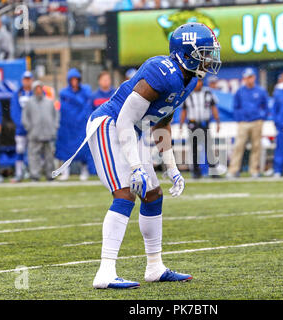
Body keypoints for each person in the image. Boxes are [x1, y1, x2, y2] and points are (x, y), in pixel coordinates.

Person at [52, 22, 221, 289]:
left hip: (133, 131)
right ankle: (105, 272)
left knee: (153, 194)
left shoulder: (188, 80)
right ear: (186, 52)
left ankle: (155, 267)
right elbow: (123, 120)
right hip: (109, 125)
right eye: (205, 51)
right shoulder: (162, 71)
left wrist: (172, 168)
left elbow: (162, 124)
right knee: (125, 192)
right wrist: (135, 166)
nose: (210, 58)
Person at [227, 67, 268, 178]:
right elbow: (235, 107)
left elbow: (266, 106)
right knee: (239, 146)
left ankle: (254, 170)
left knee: (256, 146)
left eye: (250, 77)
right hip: (244, 123)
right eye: (246, 78)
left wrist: (261, 116)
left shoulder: (260, 91)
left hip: (257, 122)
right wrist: (240, 118)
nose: (248, 80)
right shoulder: (240, 92)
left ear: (254, 77)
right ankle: (233, 170)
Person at [55, 68, 93, 181]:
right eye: (72, 79)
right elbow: (64, 109)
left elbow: (87, 107)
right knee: (66, 149)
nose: (74, 82)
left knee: (83, 149)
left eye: (76, 79)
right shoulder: (64, 93)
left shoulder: (86, 91)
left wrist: (82, 119)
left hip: (81, 126)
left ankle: (84, 171)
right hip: (68, 127)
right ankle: (65, 172)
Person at [180, 78, 220, 178]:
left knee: (209, 147)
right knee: (194, 149)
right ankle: (196, 172)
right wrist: (181, 124)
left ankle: (213, 171)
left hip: (204, 123)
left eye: (200, 81)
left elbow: (213, 107)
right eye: (197, 82)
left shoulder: (208, 92)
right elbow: (184, 110)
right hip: (192, 123)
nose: (198, 84)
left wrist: (218, 121)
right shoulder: (188, 93)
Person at [22, 81, 59, 181]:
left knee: (49, 156)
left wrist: (54, 127)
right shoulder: (29, 103)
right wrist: (29, 128)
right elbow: (25, 117)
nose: (38, 90)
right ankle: (35, 175)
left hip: (48, 134)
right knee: (34, 157)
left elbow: (55, 115)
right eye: (36, 89)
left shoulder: (49, 102)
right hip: (35, 134)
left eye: (40, 88)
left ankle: (50, 175)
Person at [10, 71, 33, 182]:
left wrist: (33, 124)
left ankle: (33, 172)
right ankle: (19, 173)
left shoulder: (35, 93)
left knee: (33, 151)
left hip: (33, 129)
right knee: (19, 150)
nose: (27, 81)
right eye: (25, 79)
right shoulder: (17, 94)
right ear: (22, 80)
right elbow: (14, 111)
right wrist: (22, 123)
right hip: (21, 129)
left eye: (29, 79)